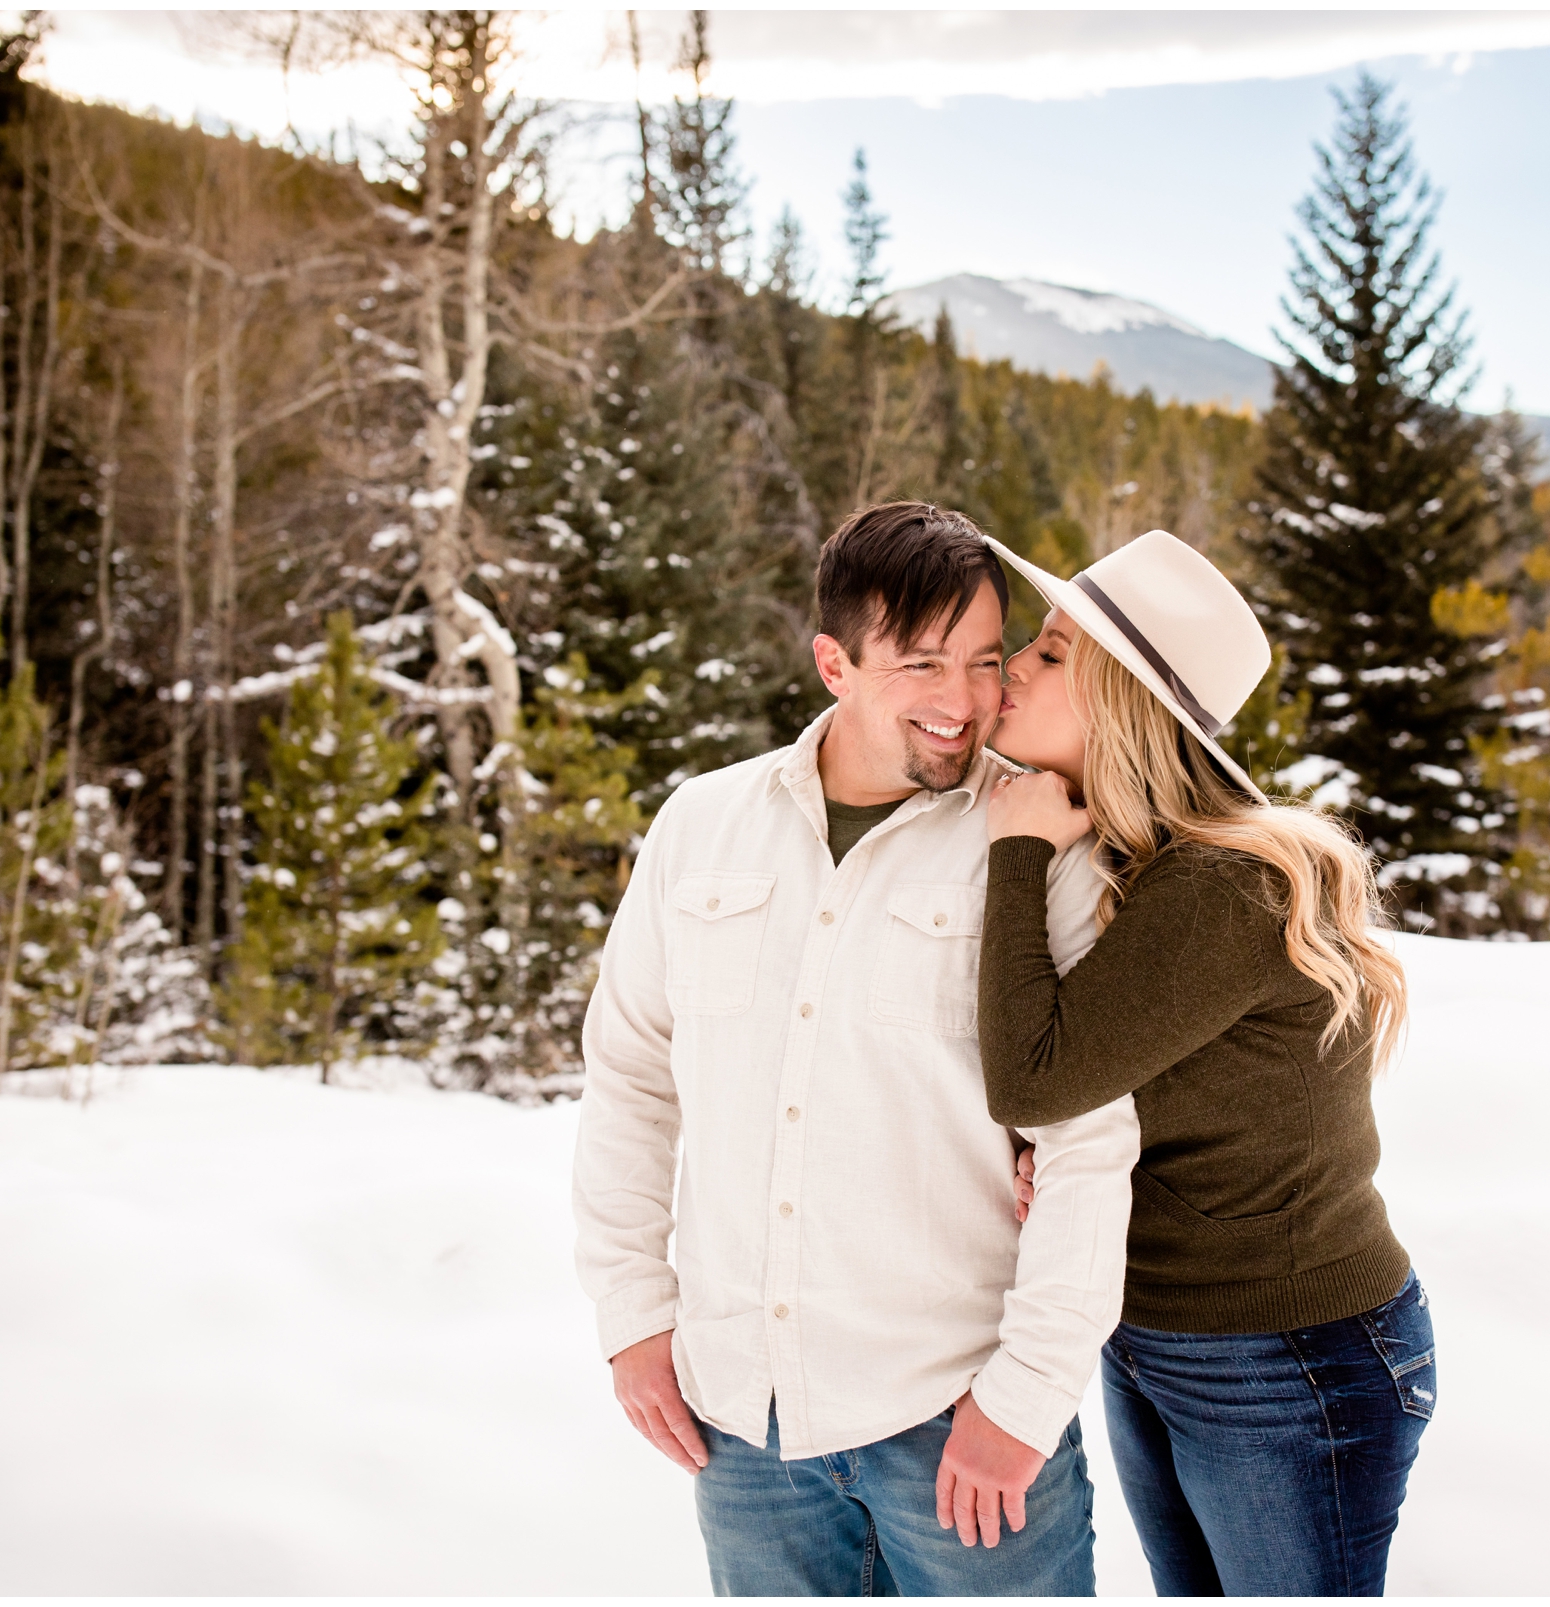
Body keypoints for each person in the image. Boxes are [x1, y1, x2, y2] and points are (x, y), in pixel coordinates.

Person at [573, 502, 1141, 1597]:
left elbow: (1088, 1141)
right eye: (921, 662)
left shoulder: (1038, 846)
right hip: (745, 1428)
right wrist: (634, 1312)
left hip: (961, 1427)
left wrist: (1025, 1397)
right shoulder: (702, 823)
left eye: (985, 660)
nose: (964, 701)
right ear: (834, 661)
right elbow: (634, 1078)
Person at [977, 529, 1431, 1598]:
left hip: (1286, 1358)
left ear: (1122, 704)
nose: (1014, 671)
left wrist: (1016, 848)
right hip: (1162, 1336)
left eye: (1048, 654)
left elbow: (1036, 1074)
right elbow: (1082, 1079)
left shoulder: (1220, 884)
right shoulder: (1132, 862)